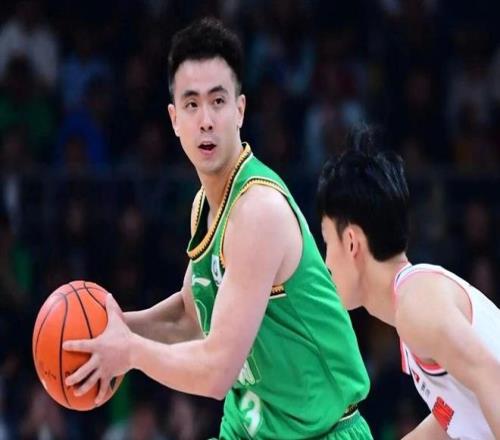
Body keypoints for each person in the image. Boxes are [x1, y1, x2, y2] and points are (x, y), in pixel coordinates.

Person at [63, 17, 373, 439]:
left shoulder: (258, 211)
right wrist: (113, 328)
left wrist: (130, 351)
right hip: (249, 429)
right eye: (192, 105)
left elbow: (216, 371)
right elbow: (191, 318)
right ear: (174, 119)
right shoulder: (205, 206)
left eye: (218, 101)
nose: (206, 119)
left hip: (321, 432)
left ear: (240, 110)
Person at [316, 126, 500, 440]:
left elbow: (491, 377)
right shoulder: (413, 305)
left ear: (351, 242)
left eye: (326, 243)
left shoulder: (416, 304)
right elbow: (454, 414)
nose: (326, 264)